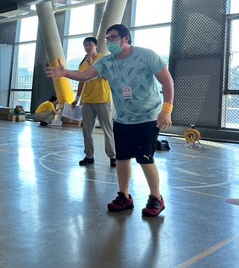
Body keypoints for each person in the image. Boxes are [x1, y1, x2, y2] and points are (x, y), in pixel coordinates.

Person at [46, 24, 174, 217]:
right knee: (122, 158)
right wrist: (65, 73)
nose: (109, 42)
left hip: (148, 117)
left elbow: (167, 81)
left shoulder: (147, 55)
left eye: (113, 38)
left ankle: (156, 198)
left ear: (126, 39)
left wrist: (166, 110)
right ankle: (124, 196)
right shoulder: (106, 62)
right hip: (122, 118)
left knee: (145, 158)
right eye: (107, 39)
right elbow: (84, 75)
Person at [72, 37, 116, 167]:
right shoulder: (82, 63)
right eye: (85, 45)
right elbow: (81, 81)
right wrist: (77, 98)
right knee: (86, 130)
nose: (87, 47)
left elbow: (106, 77)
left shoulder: (103, 59)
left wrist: (92, 64)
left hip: (103, 99)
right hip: (88, 101)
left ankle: (113, 156)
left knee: (107, 129)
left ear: (96, 46)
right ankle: (89, 156)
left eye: (90, 44)